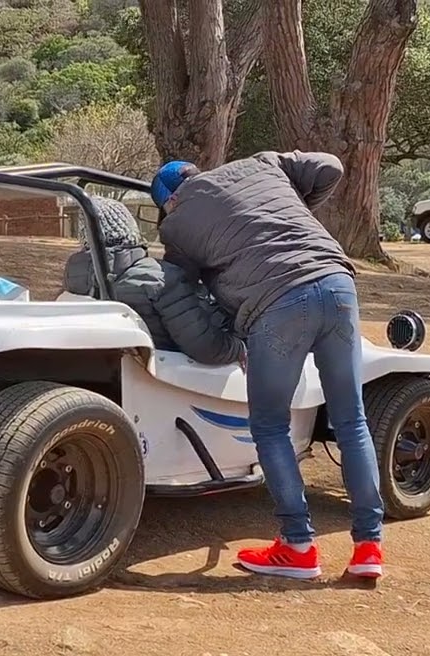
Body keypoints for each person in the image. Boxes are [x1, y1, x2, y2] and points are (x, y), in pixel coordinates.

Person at [150, 152, 385, 580]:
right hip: (336, 282)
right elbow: (331, 166)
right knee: (352, 419)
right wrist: (293, 212)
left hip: (276, 305)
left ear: (169, 201)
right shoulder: (262, 165)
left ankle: (298, 547)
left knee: (271, 425)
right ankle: (369, 548)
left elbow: (179, 288)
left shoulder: (177, 225)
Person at [62, 194, 243, 366]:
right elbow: (204, 347)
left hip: (116, 365)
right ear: (129, 227)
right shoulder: (162, 278)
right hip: (174, 372)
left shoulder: (74, 278)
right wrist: (239, 348)